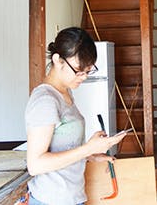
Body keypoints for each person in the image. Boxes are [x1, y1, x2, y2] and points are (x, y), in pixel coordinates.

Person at [24, 27, 127, 205]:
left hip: (71, 197)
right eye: (79, 71)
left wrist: (91, 154)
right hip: (51, 200)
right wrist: (87, 149)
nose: (84, 77)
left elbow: (62, 147)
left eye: (88, 71)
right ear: (58, 60)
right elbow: (36, 165)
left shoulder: (65, 93)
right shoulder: (45, 101)